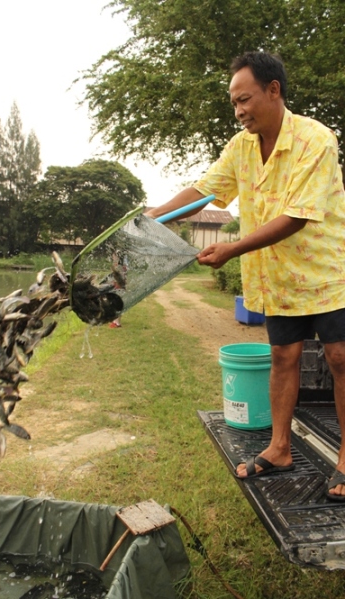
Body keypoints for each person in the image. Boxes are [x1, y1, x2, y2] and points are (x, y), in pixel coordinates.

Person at [147, 51, 345, 501]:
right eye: (233, 103)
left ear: (273, 90)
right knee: (282, 358)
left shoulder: (317, 139)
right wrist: (154, 219)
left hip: (328, 272)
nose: (238, 111)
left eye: (245, 100)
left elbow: (297, 216)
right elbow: (204, 190)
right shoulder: (240, 147)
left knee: (339, 359)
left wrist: (233, 248)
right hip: (277, 277)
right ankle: (279, 449)